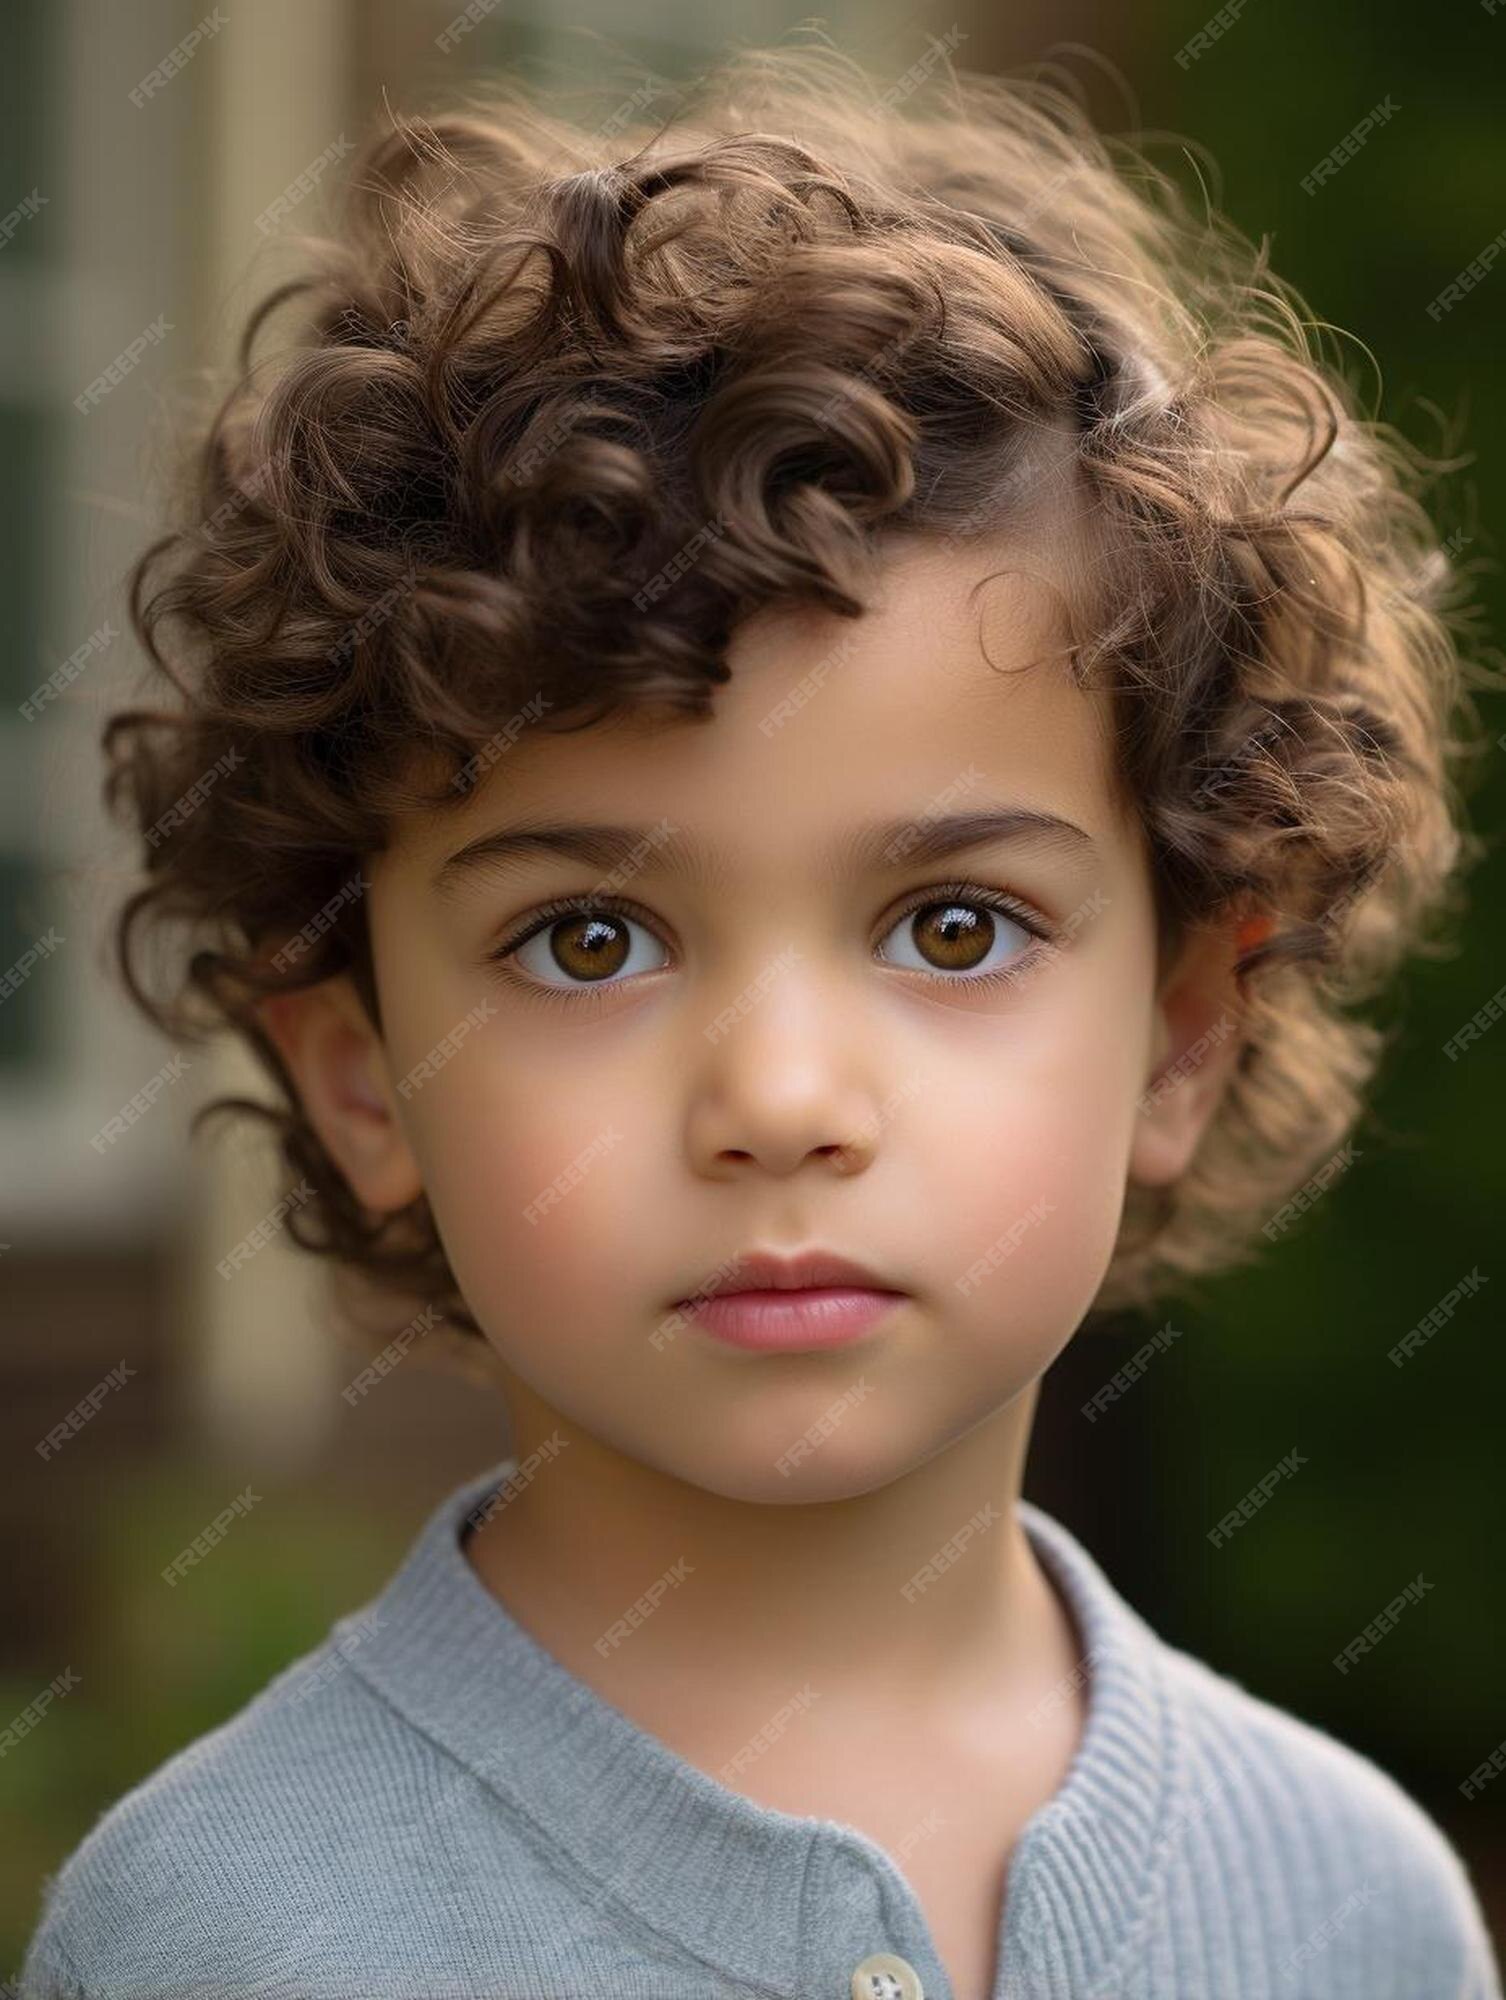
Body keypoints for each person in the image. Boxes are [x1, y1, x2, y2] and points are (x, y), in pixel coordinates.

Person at [21, 37, 1502, 2000]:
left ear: (1182, 1030)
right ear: (364, 1077)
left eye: (955, 924)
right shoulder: (216, 1938)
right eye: (588, 944)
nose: (780, 1099)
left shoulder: (1350, 1910)